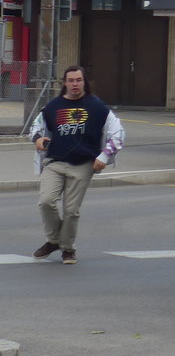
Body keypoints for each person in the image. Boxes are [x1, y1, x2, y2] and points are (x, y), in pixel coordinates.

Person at [28, 65, 125, 264]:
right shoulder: (53, 107)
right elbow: (35, 127)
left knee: (71, 210)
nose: (74, 84)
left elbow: (118, 134)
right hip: (54, 162)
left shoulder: (97, 107)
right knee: (46, 201)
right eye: (71, 80)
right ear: (64, 83)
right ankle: (54, 241)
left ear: (84, 82)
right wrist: (37, 139)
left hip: (82, 165)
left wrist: (104, 157)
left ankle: (68, 249)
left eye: (78, 80)